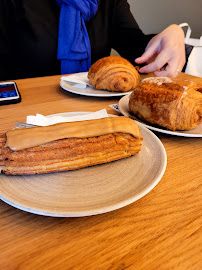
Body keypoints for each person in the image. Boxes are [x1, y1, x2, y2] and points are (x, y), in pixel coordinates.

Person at [0, 0, 185, 81]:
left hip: (92, 114)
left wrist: (174, 34)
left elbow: (137, 49)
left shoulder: (109, 2)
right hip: (26, 118)